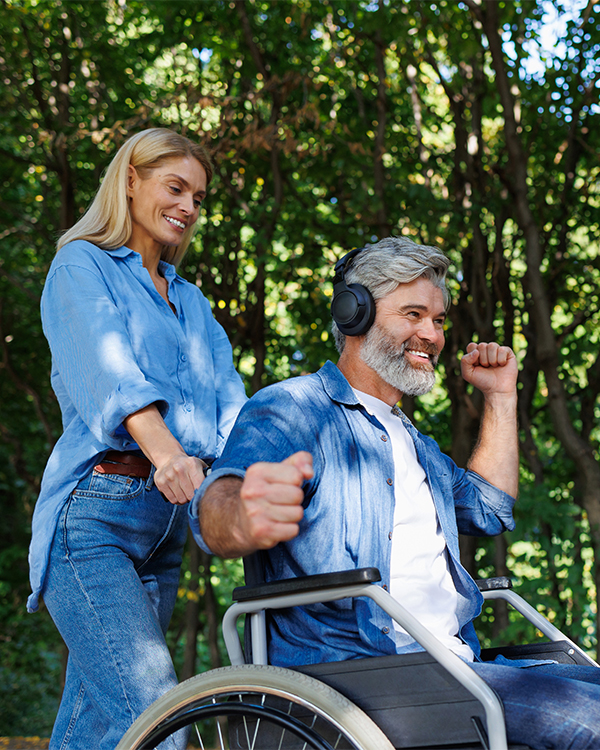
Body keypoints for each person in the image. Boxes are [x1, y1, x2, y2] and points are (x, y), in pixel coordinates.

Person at [191, 236, 600, 750]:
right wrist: (241, 515)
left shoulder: (414, 441)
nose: (431, 334)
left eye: (439, 320)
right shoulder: (293, 407)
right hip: (361, 676)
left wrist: (500, 396)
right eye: (413, 314)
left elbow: (490, 508)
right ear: (354, 313)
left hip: (456, 665)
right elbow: (215, 507)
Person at [28, 128, 247, 750]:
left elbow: (231, 405)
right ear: (130, 180)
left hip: (167, 529)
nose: (187, 206)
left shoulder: (192, 303)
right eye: (174, 187)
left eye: (198, 197)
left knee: (97, 729)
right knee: (158, 723)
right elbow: (111, 378)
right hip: (95, 520)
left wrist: (248, 478)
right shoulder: (81, 265)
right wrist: (169, 454)